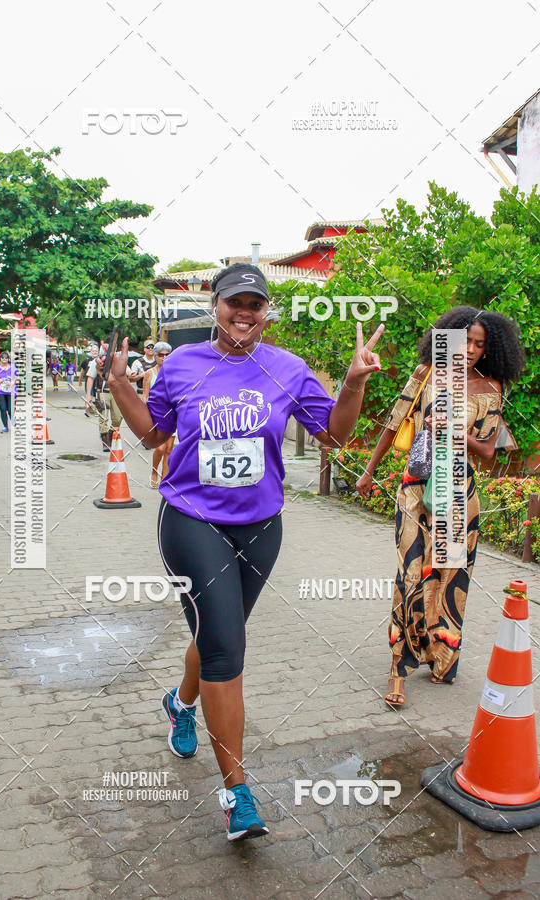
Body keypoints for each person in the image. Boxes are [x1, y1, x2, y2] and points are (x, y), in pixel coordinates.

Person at [108, 262, 384, 841]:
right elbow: (156, 436)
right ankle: (237, 794)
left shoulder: (287, 368)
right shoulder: (182, 365)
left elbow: (334, 434)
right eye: (235, 302)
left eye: (255, 304)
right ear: (216, 306)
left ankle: (181, 706)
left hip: (261, 528)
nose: (245, 313)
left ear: (266, 312)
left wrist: (354, 382)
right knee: (227, 652)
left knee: (217, 636)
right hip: (191, 521)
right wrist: (119, 388)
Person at [356, 306, 525, 707]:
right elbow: (395, 424)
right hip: (416, 488)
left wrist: (453, 431)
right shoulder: (427, 373)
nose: (469, 350)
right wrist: (368, 471)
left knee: (449, 577)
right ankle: (399, 666)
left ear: (491, 349)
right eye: (464, 340)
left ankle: (441, 656)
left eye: (479, 344)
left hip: (458, 492)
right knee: (410, 572)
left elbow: (487, 452)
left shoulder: (491, 388)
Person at [142, 341, 173, 488]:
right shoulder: (150, 373)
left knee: (169, 449)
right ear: (155, 356)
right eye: (161, 355)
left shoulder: (174, 372)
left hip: (172, 413)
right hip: (156, 415)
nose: (164, 358)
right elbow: (145, 396)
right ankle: (154, 471)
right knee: (160, 448)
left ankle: (164, 479)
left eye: (167, 355)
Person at [85, 345, 123, 451]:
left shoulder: (118, 361)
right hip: (103, 392)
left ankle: (111, 434)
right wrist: (89, 395)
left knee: (118, 418)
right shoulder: (96, 363)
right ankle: (105, 441)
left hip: (116, 393)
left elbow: (127, 372)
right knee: (103, 418)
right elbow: (90, 378)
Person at [0, 351, 17, 433]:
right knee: (3, 409)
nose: (4, 359)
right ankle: (5, 426)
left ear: (8, 359)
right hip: (0, 391)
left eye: (6, 358)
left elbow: (17, 378)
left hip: (11, 391)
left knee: (10, 409)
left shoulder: (13, 367)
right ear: (0, 359)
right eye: (3, 358)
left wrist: (12, 382)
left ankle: (13, 422)